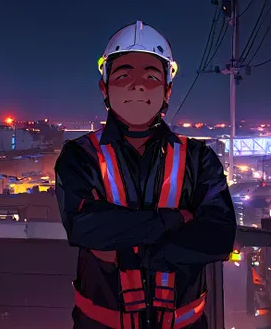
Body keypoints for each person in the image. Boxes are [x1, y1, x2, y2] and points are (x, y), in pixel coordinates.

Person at [55, 21, 236, 329]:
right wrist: (175, 220)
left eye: (151, 77)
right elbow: (84, 227)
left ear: (166, 89)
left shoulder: (198, 158)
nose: (137, 85)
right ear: (105, 87)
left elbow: (219, 237)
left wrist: (127, 246)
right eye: (123, 75)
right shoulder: (79, 156)